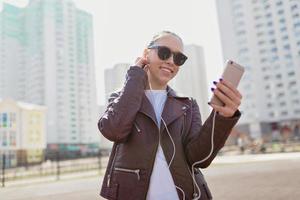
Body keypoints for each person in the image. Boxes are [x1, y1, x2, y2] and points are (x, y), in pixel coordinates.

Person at [98, 31, 242, 200]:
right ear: (146, 53)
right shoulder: (121, 98)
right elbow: (114, 130)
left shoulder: (187, 105)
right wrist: (135, 76)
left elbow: (199, 158)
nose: (171, 61)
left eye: (179, 58)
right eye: (164, 52)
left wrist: (222, 118)